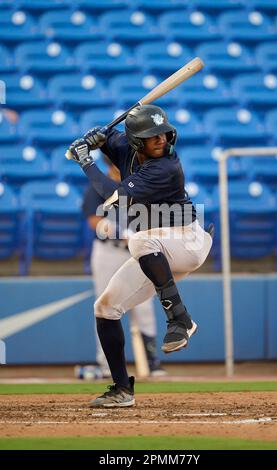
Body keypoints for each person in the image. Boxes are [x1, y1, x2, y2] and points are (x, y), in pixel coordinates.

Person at [66, 104, 213, 408]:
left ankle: (180, 318)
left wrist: (85, 161)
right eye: (152, 136)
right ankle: (122, 390)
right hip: (158, 246)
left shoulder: (166, 167)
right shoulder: (125, 144)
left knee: (140, 240)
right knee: (105, 308)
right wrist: (96, 137)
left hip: (186, 241)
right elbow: (108, 137)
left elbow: (113, 198)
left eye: (162, 133)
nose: (160, 139)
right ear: (136, 141)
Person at [82, 162, 166, 378]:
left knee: (145, 304)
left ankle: (152, 361)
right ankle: (106, 364)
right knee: (104, 304)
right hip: (108, 251)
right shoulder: (98, 187)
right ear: (111, 166)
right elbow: (94, 221)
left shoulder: (138, 185)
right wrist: (119, 231)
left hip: (136, 250)